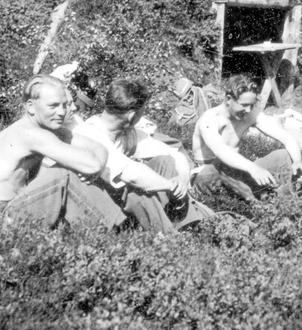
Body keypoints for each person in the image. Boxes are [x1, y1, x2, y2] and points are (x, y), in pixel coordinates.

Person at [0, 75, 115, 226]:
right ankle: (112, 227)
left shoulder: (46, 128)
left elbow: (98, 147)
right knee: (61, 172)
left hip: (9, 208)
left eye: (64, 105)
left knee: (75, 169)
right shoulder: (29, 133)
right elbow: (93, 164)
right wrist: (96, 168)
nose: (61, 112)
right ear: (31, 106)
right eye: (53, 106)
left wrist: (97, 168)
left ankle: (114, 222)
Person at [78, 78, 214, 231]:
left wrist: (181, 179)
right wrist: (170, 186)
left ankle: (187, 225)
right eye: (142, 111)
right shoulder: (90, 133)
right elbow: (132, 175)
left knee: (166, 162)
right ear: (132, 116)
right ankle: (169, 237)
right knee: (138, 191)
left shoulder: (125, 132)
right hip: (96, 206)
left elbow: (175, 155)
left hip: (120, 196)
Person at [192, 74, 302, 202]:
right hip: (211, 172)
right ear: (228, 99)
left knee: (284, 155)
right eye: (244, 104)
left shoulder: (250, 114)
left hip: (237, 169)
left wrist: (297, 160)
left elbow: (285, 136)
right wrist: (253, 168)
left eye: (252, 105)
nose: (248, 110)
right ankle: (264, 201)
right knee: (209, 173)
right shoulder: (210, 119)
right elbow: (221, 150)